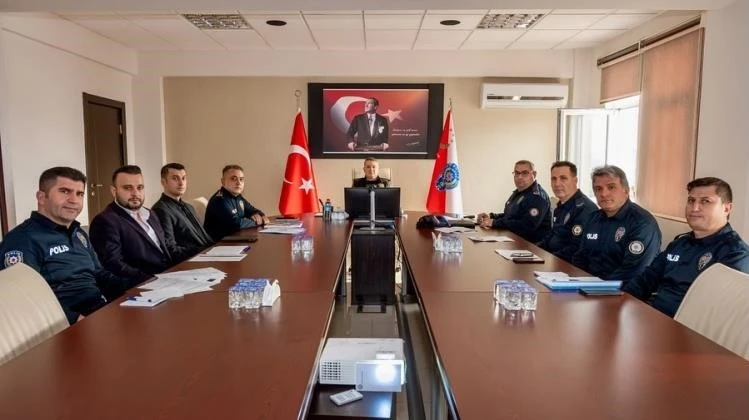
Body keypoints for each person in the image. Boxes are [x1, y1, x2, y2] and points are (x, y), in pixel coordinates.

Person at [0, 167, 125, 324]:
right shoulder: (22, 239)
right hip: (62, 325)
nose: (74, 200)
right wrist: (75, 320)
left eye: (79, 194)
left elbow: (100, 275)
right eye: (65, 191)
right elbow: (22, 299)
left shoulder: (78, 233)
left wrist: (140, 287)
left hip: (99, 312)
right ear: (41, 197)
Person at [623, 177, 749, 317]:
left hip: (688, 326)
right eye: (691, 200)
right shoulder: (679, 244)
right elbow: (644, 281)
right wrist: (619, 303)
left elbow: (716, 312)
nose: (695, 208)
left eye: (705, 201)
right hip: (653, 316)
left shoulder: (736, 254)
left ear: (726, 208)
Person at [571, 165, 661, 282]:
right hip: (589, 284)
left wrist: (597, 287)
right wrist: (574, 281)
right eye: (598, 189)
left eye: (611, 187)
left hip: (622, 290)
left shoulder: (642, 223)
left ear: (626, 190)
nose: (604, 194)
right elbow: (580, 257)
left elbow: (633, 272)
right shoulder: (593, 218)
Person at [90, 165, 172, 286]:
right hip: (144, 284)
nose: (135, 193)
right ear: (114, 191)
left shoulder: (151, 214)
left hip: (170, 276)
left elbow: (166, 247)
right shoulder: (105, 221)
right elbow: (114, 264)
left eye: (140, 187)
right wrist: (153, 280)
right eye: (128, 188)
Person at [152, 163, 213, 263]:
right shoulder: (160, 210)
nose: (181, 183)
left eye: (183, 178)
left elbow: (204, 237)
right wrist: (203, 252)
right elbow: (170, 248)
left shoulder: (189, 207)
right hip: (191, 261)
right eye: (175, 178)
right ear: (163, 182)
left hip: (209, 254)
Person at [537, 161, 598, 262]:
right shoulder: (562, 205)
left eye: (563, 178)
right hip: (554, 259)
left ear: (575, 180)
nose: (557, 184)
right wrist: (534, 250)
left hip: (568, 265)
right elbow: (552, 236)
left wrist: (549, 259)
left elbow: (576, 248)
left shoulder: (584, 208)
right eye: (554, 179)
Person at [477, 160, 551, 242]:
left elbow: (526, 226)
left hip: (532, 246)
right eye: (517, 173)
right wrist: (491, 216)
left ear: (534, 174)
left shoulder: (538, 197)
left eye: (525, 173)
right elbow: (510, 216)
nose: (520, 177)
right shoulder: (519, 193)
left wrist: (494, 222)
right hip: (514, 241)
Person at [204, 164, 269, 241]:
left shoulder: (237, 197)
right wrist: (258, 221)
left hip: (236, 238)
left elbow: (252, 210)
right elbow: (236, 224)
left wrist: (261, 215)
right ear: (223, 181)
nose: (238, 183)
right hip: (220, 243)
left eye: (241, 179)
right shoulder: (220, 200)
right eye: (233, 179)